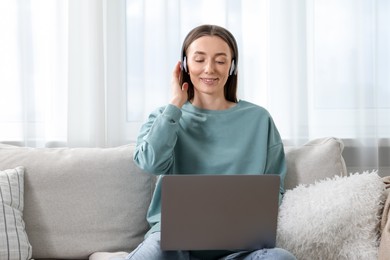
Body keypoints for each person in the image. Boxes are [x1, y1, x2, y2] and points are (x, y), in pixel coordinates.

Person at [128, 24, 296, 260]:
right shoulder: (164, 116)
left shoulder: (259, 119)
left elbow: (274, 187)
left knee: (281, 258)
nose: (209, 69)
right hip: (172, 244)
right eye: (199, 59)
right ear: (185, 65)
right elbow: (149, 163)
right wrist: (176, 103)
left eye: (220, 60)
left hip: (240, 248)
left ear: (232, 66)